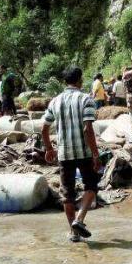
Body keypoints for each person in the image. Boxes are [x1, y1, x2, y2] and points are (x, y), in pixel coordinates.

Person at [42, 67, 101, 243]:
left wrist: (49, 149)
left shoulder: (55, 101)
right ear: (80, 80)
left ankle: (73, 233)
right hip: (84, 152)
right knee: (91, 185)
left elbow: (44, 129)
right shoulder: (86, 99)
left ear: (65, 82)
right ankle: (79, 219)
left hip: (64, 153)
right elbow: (87, 128)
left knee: (67, 193)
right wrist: (96, 154)